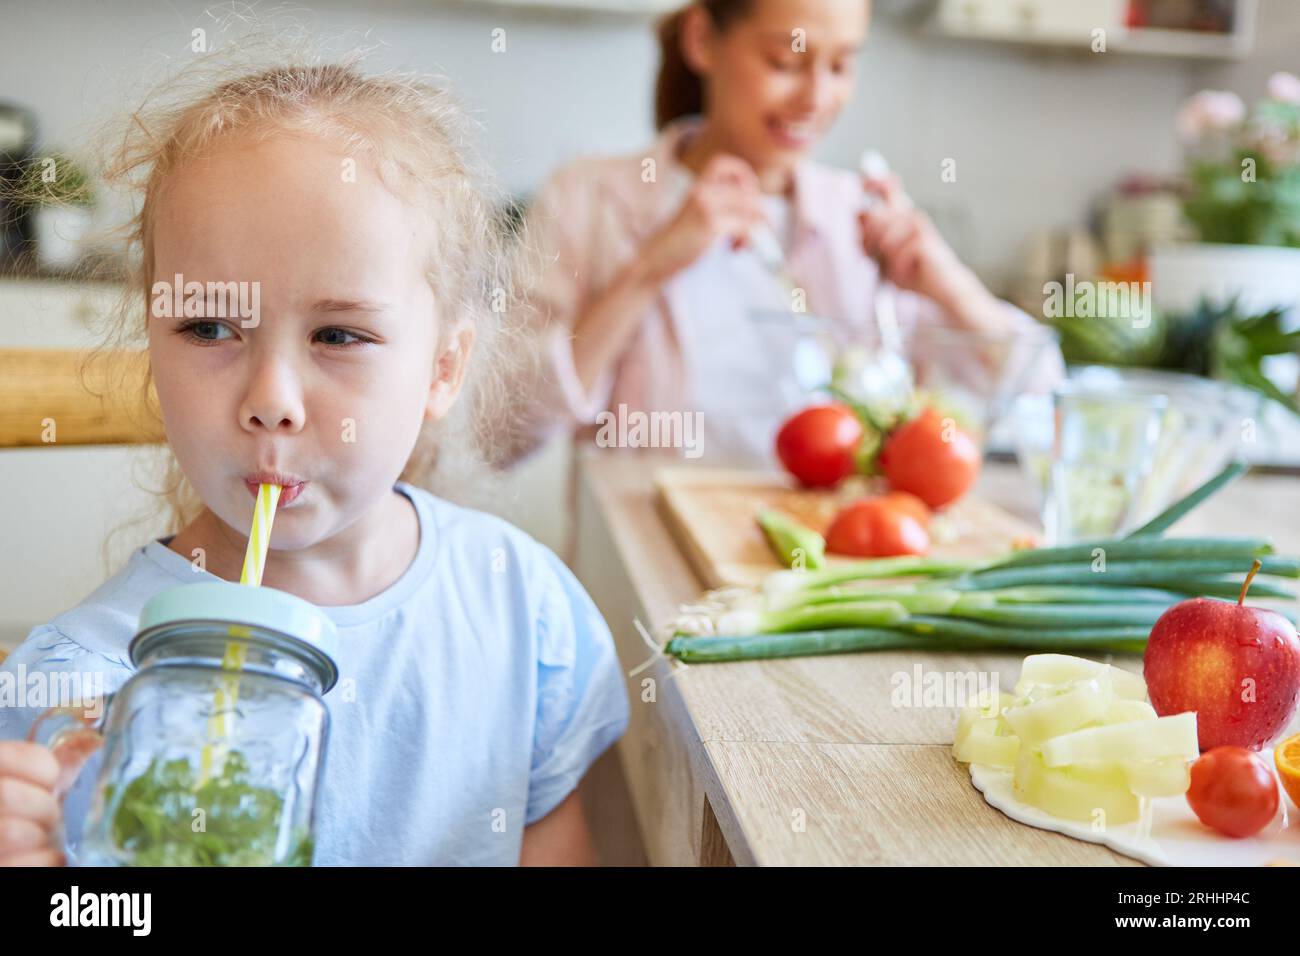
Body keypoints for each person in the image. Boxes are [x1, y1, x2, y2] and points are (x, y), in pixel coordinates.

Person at [0, 57, 628, 867]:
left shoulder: (520, 612)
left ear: (443, 367)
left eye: (339, 336)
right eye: (210, 328)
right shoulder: (70, 694)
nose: (273, 399)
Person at [515, 0, 1061, 465]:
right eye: (786, 61)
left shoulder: (863, 218)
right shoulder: (589, 198)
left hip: (817, 569)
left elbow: (1038, 397)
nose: (816, 99)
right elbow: (503, 432)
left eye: (842, 66)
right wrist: (647, 270)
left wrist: (948, 283)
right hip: (639, 569)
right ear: (703, 40)